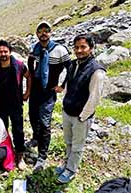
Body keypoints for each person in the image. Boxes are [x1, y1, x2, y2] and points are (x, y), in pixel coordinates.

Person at [56, 34, 106, 183]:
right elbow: (69, 86)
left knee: (77, 145)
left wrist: (83, 116)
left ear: (91, 48)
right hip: (68, 111)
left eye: (83, 47)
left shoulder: (97, 70)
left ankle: (71, 170)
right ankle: (67, 163)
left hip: (81, 116)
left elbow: (94, 97)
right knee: (68, 141)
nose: (79, 50)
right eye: (76, 47)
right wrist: (64, 105)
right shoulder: (73, 64)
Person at [27, 21, 71, 172]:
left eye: (46, 31)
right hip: (35, 91)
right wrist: (30, 80)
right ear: (37, 34)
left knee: (45, 123)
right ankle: (35, 138)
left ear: (51, 33)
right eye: (40, 31)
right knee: (32, 116)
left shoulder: (59, 49)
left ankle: (42, 156)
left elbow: (70, 68)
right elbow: (30, 63)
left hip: (48, 92)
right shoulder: (35, 48)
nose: (43, 34)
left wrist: (62, 85)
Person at [0, 40, 31, 170]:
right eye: (0, 51)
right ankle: (7, 153)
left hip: (15, 104)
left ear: (10, 51)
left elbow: (29, 76)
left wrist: (27, 93)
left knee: (18, 130)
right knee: (3, 130)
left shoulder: (19, 65)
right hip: (0, 104)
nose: (3, 54)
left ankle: (20, 155)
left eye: (5, 51)